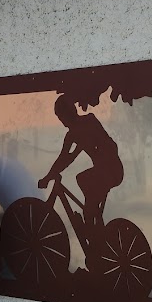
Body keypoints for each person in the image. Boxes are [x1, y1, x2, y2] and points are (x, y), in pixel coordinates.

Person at [38, 95, 124, 237]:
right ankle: (93, 223)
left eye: (62, 117)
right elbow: (63, 159)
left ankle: (91, 225)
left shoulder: (89, 121)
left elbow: (108, 145)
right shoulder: (72, 135)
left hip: (111, 170)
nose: (62, 122)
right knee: (86, 190)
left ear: (69, 113)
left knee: (83, 180)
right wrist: (48, 177)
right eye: (60, 118)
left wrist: (49, 176)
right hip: (103, 172)